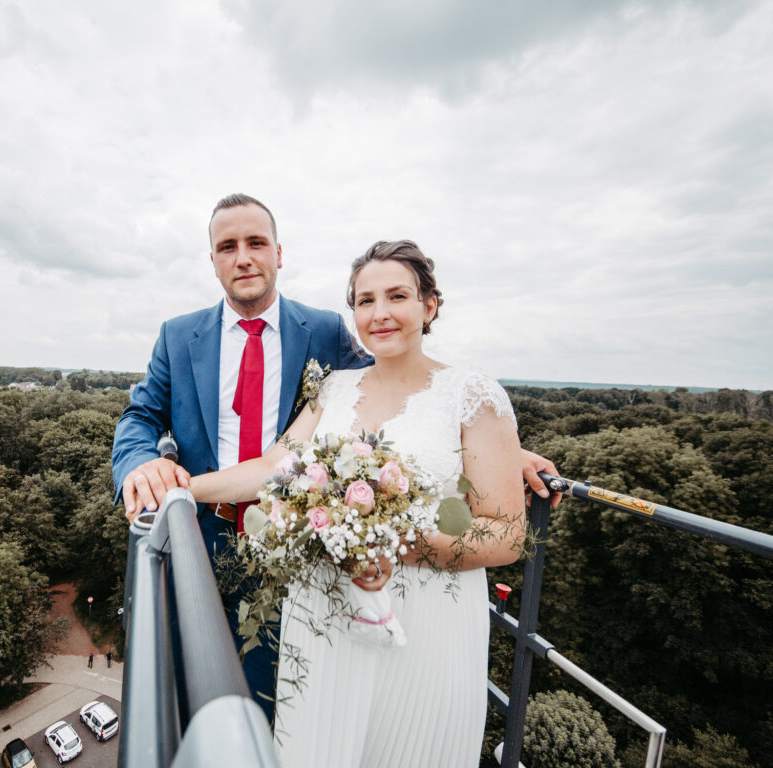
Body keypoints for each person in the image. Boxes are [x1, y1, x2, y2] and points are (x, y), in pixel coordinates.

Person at [111, 195, 559, 724]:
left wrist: (498, 451)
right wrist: (144, 465)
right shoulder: (177, 334)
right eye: (227, 247)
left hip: (303, 553)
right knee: (187, 689)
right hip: (200, 537)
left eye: (256, 243)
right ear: (213, 260)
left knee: (288, 702)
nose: (243, 258)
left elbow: (397, 393)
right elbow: (139, 417)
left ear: (278, 252)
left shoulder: (323, 332)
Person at [188, 240, 526, 767]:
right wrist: (182, 487)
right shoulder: (334, 389)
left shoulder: (473, 394)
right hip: (321, 613)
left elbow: (505, 535)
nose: (380, 313)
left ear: (429, 305)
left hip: (427, 626)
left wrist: (396, 543)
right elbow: (269, 467)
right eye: (365, 301)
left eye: (397, 296)